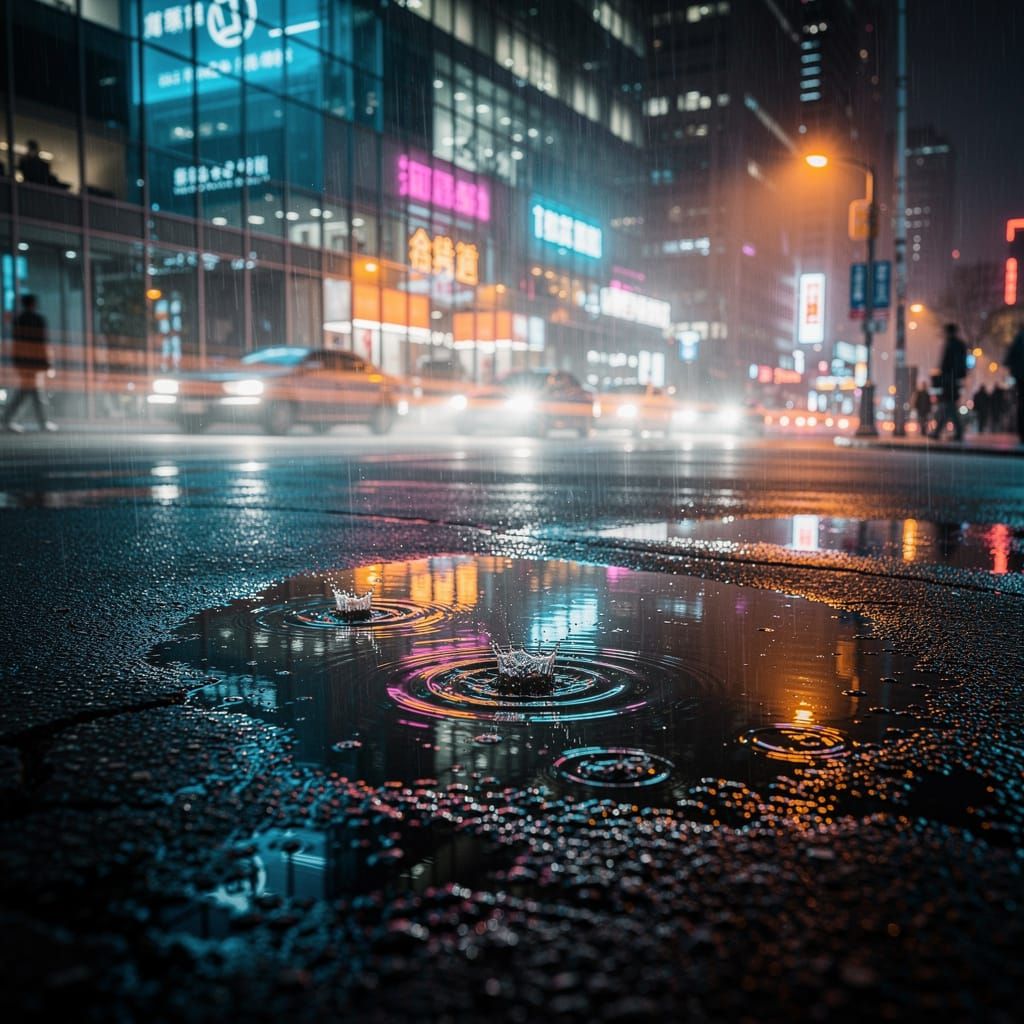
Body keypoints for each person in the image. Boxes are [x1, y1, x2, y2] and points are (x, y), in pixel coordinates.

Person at [3, 294, 56, 433]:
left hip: (23, 361)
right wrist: (47, 362)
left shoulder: (18, 320)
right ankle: (42, 422)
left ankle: (8, 418)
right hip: (35, 362)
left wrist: (17, 360)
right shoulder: (38, 319)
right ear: (33, 304)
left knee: (28, 391)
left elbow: (16, 343)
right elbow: (43, 343)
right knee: (33, 391)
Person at [929, 323, 968, 441]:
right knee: (947, 406)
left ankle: (953, 432)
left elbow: (946, 364)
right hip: (954, 380)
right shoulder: (960, 345)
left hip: (949, 380)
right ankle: (939, 431)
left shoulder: (951, 345)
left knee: (948, 406)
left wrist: (943, 376)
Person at [1004, 326, 1024, 443]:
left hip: (1021, 376)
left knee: (1021, 403)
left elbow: (1009, 358)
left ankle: (1022, 431)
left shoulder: (1019, 338)